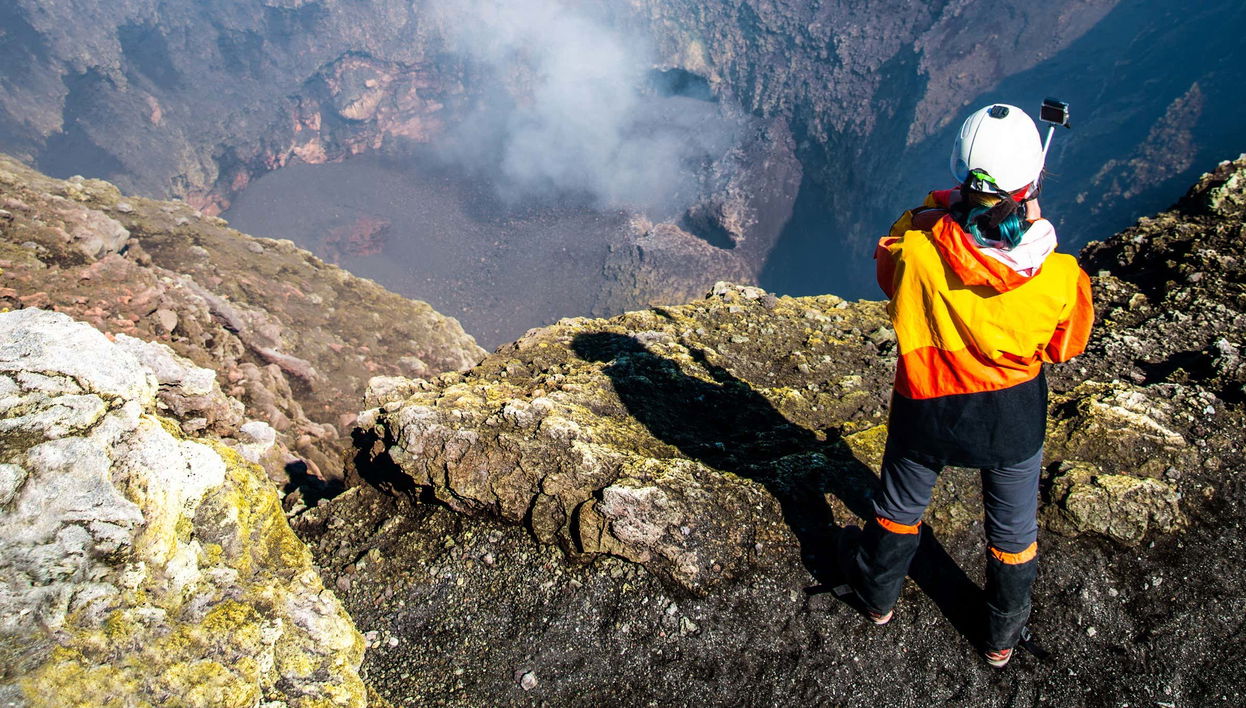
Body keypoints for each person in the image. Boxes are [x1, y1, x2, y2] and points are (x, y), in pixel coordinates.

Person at [851, 103, 1094, 667]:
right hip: (1011, 419)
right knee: (1012, 527)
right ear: (1030, 181)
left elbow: (888, 273)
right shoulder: (1061, 276)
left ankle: (876, 597)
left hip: (928, 406)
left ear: (962, 177)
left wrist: (939, 208)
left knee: (900, 503)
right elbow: (1064, 346)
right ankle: (999, 640)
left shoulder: (915, 248)